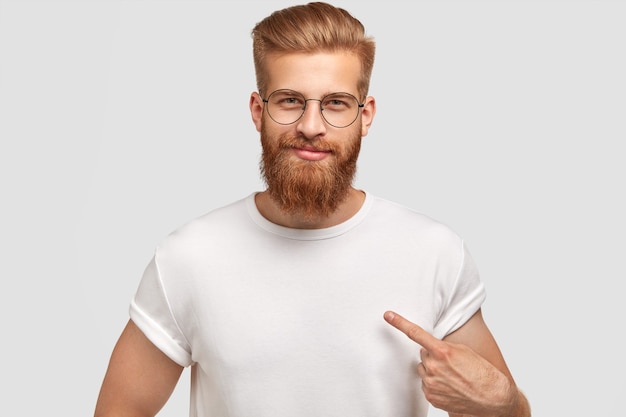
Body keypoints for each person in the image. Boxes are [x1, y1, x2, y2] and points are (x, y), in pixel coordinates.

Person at [94, 2, 531, 417]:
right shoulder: (189, 256)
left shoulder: (435, 253)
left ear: (366, 116)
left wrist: (508, 403)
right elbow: (120, 409)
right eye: (289, 100)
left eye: (336, 103)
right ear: (257, 110)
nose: (311, 125)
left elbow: (504, 409)